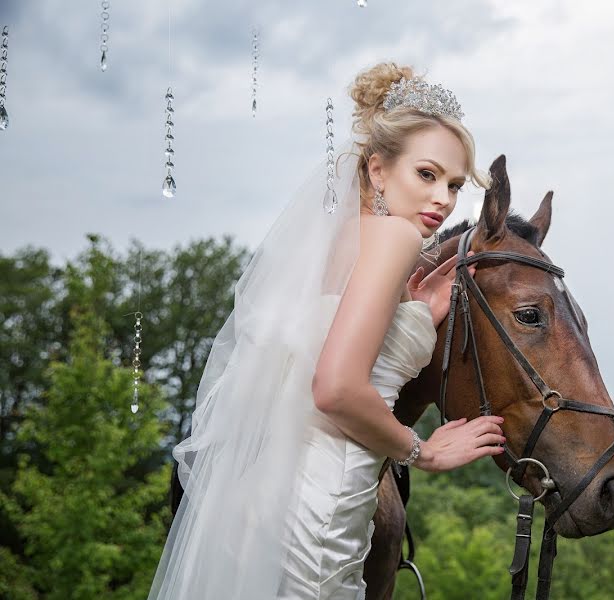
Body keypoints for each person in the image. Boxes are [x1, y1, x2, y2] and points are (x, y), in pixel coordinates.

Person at [148, 61, 506, 599]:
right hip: (321, 510)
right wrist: (424, 452)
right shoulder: (396, 240)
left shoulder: (339, 246)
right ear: (378, 169)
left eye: (455, 185)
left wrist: (412, 313)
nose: (443, 200)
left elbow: (317, 352)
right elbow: (335, 389)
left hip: (268, 498)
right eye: (427, 175)